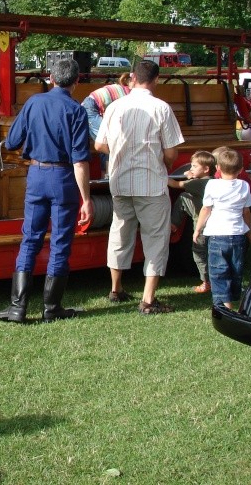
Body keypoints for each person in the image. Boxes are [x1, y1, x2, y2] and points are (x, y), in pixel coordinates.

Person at [0, 58, 93, 323]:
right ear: (77, 80)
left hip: (36, 175)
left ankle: (17, 308)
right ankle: (51, 308)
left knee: (30, 239)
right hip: (63, 178)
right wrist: (87, 198)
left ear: (51, 77)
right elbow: (80, 160)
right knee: (60, 242)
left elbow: (12, 141)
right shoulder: (77, 111)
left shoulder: (34, 103)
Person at [95, 60, 184, 313]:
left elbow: (99, 146)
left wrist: (121, 151)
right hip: (151, 183)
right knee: (155, 238)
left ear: (132, 77)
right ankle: (147, 299)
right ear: (156, 79)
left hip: (120, 181)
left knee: (120, 234)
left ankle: (116, 288)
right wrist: (162, 160)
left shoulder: (114, 107)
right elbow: (170, 152)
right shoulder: (161, 108)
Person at [193, 148, 251, 309]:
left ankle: (224, 303)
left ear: (218, 168)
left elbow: (206, 209)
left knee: (218, 270)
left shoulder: (212, 185)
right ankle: (234, 296)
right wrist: (249, 230)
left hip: (216, 234)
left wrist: (198, 229)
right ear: (241, 169)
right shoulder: (243, 185)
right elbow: (246, 210)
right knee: (236, 267)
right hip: (237, 234)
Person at [167, 150, 216, 294]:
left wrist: (162, 175)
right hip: (215, 224)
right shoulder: (212, 181)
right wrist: (192, 176)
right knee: (184, 197)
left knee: (199, 253)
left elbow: (176, 185)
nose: (191, 169)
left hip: (202, 224)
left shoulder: (199, 183)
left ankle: (206, 282)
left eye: (194, 166)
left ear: (206, 169)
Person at [80, 77, 131, 175]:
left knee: (105, 141)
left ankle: (106, 174)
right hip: (91, 108)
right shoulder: (127, 95)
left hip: (91, 106)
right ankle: (108, 175)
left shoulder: (122, 90)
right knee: (106, 142)